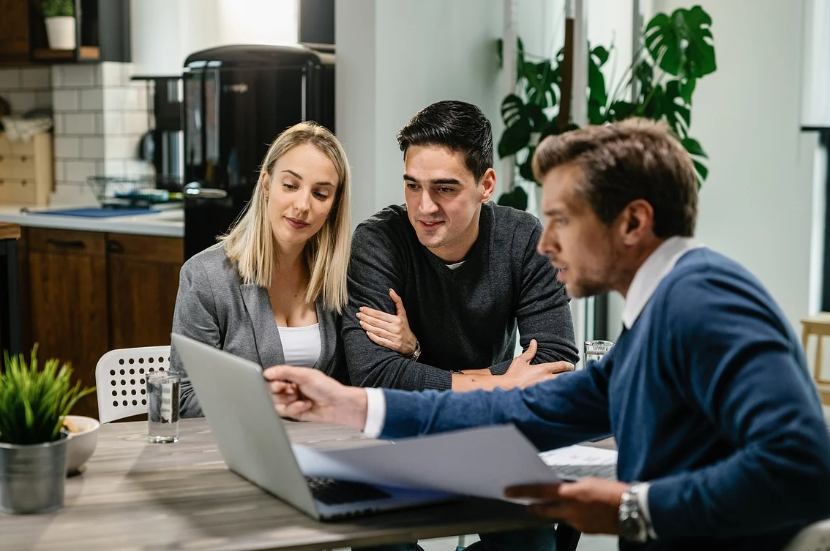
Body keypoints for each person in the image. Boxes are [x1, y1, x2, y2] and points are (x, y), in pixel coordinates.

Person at [264, 118, 830, 551]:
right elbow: (520, 412)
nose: (543, 242)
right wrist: (350, 405)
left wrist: (632, 507)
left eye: (562, 218)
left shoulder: (704, 300)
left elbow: (804, 464)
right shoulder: (660, 313)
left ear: (632, 223)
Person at [345, 100, 579, 394]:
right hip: (407, 428)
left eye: (445, 189)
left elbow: (556, 361)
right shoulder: (379, 241)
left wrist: (416, 356)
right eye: (413, 186)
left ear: (487, 185)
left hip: (493, 424)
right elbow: (372, 374)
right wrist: (502, 382)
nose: (424, 207)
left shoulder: (522, 237)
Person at [170, 121, 360, 418]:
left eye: (321, 194)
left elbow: (360, 379)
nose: (302, 205)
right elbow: (182, 398)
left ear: (334, 204)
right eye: (290, 185)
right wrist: (262, 401)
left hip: (324, 446)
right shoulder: (205, 277)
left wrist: (408, 343)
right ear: (266, 184)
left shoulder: (342, 277)